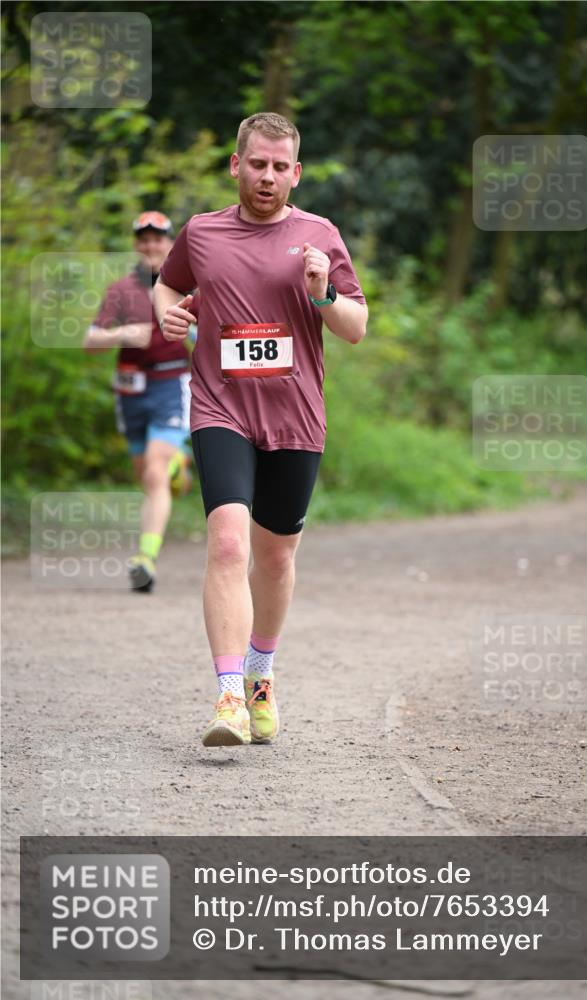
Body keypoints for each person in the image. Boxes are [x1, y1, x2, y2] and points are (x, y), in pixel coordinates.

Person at [154, 112, 368, 748]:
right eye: (257, 164)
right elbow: (166, 289)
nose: (268, 176)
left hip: (295, 416)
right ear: (235, 165)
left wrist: (324, 293)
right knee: (226, 545)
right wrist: (171, 319)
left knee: (275, 558)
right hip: (221, 408)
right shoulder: (202, 233)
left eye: (280, 166)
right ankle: (227, 698)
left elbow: (355, 326)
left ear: (296, 173)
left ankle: (260, 673)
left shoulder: (319, 235)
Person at [84, 211, 193, 593]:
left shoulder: (186, 287)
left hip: (171, 383)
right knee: (145, 474)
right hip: (129, 390)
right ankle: (180, 462)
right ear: (136, 244)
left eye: (158, 239)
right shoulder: (121, 290)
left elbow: (207, 338)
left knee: (153, 473)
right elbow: (89, 341)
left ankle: (145, 558)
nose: (151, 246)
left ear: (170, 243)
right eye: (144, 240)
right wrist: (124, 333)